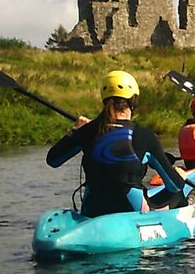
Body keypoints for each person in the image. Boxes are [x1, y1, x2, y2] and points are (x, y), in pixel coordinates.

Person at [46, 71, 186, 217]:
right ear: (133, 100)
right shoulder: (144, 135)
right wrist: (180, 176)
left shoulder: (87, 131)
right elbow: (174, 186)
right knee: (178, 194)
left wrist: (75, 131)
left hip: (92, 211)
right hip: (132, 213)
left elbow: (53, 160)